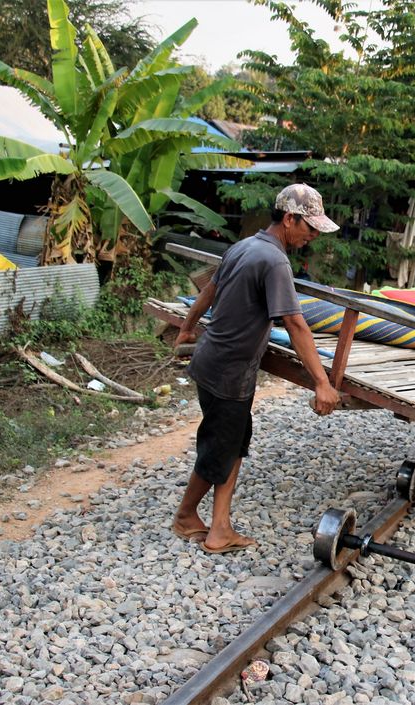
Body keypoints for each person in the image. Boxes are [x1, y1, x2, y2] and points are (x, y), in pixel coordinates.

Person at [171, 184, 342, 553]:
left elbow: (208, 292)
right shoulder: (275, 261)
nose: (312, 237)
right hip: (229, 371)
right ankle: (186, 517)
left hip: (214, 361)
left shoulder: (244, 246)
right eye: (309, 228)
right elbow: (296, 324)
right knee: (219, 448)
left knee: (234, 444)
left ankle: (220, 527)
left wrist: (188, 326)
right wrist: (322, 382)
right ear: (289, 218)